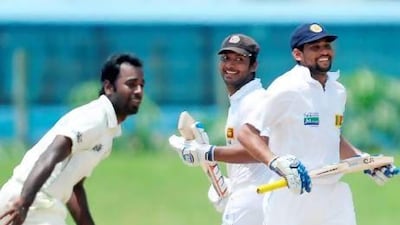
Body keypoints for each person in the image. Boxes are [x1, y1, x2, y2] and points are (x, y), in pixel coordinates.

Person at [237, 22, 399, 225]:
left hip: (333, 194)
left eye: (326, 46)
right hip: (293, 195)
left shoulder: (337, 90)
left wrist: (365, 161)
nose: (324, 52)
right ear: (298, 54)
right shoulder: (287, 88)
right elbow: (246, 132)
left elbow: (332, 137)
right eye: (315, 47)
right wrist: (276, 162)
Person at [0, 53, 145, 225]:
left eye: (142, 85)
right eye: (131, 84)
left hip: (46, 208)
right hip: (31, 203)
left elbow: (74, 187)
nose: (139, 91)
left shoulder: (108, 133)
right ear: (109, 87)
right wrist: (24, 202)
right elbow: (51, 155)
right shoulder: (95, 117)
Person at [169, 34, 271, 225]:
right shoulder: (240, 101)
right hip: (247, 198)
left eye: (239, 60)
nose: (230, 65)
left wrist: (207, 153)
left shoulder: (256, 100)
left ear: (254, 66)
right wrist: (227, 187)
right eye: (226, 59)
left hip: (256, 200)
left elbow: (260, 151)